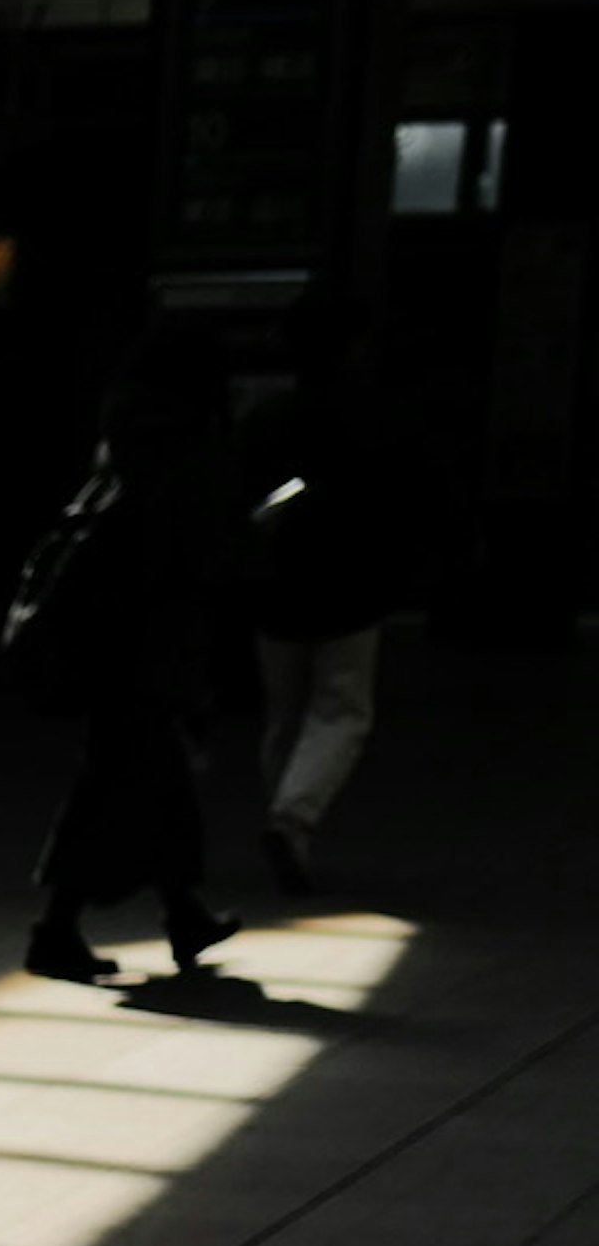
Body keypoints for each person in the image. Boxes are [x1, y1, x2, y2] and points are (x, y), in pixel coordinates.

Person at [15, 339, 237, 987]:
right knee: (120, 783)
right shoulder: (184, 455)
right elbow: (190, 558)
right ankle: (58, 928)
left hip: (112, 647)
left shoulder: (124, 447)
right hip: (151, 648)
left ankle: (181, 912)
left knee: (146, 781)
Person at [246, 302, 393, 893]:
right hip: (350, 583)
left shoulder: (266, 417)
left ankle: (288, 823)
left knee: (284, 712)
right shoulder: (368, 419)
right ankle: (295, 817)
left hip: (277, 583)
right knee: (341, 708)